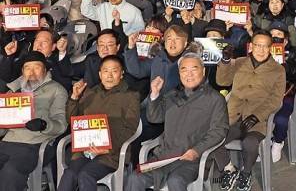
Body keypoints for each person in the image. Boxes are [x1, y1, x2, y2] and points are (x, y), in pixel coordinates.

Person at [125, 52, 229, 191]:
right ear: (179, 73)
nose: (189, 74)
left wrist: (196, 151)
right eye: (184, 70)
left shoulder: (215, 99)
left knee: (176, 181)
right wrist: (155, 94)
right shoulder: (171, 95)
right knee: (134, 178)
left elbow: (219, 131)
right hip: (164, 156)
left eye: (194, 69)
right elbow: (154, 118)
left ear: (203, 71)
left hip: (192, 159)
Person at [213, 31, 286, 191]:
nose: (261, 50)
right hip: (232, 116)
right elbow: (222, 81)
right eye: (258, 45)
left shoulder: (278, 70)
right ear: (251, 46)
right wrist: (225, 61)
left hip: (257, 120)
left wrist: (257, 116)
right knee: (213, 138)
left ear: (270, 48)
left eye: (265, 46)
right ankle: (229, 169)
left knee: (250, 143)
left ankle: (246, 173)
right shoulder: (239, 62)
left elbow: (275, 99)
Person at [59, 56, 141, 191]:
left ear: (121, 74)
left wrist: (109, 148)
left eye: (114, 71)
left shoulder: (130, 96)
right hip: (85, 150)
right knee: (70, 174)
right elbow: (72, 120)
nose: (109, 75)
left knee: (86, 175)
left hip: (111, 153)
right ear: (99, 74)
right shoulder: (90, 93)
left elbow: (130, 128)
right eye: (105, 71)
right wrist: (74, 98)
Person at [0, 51, 68, 190]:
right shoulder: (13, 91)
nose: (31, 72)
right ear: (22, 71)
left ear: (45, 69)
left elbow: (61, 124)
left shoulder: (56, 90)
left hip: (34, 144)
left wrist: (44, 125)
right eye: (27, 68)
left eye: (36, 67)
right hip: (7, 142)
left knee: (10, 171)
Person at [80, 0, 145, 36]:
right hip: (105, 44)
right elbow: (86, 11)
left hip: (124, 46)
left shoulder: (134, 11)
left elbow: (140, 31)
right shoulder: (103, 7)